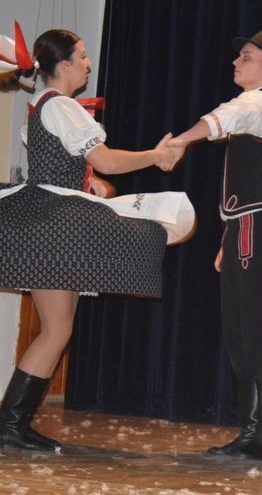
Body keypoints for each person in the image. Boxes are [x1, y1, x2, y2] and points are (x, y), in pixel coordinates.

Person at [0, 28, 187, 451]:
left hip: (50, 221)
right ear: (64, 65)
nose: (87, 64)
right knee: (56, 329)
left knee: (58, 328)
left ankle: (13, 422)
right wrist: (156, 155)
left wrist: (91, 183)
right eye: (82, 56)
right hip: (55, 226)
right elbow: (104, 158)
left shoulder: (44, 104)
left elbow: (68, 164)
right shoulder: (61, 105)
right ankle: (10, 424)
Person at [167, 29, 262, 461]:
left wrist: (181, 140)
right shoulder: (254, 108)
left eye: (246, 56)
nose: (236, 62)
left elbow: (225, 117)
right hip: (246, 227)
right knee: (243, 330)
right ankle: (253, 429)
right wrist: (229, 235)